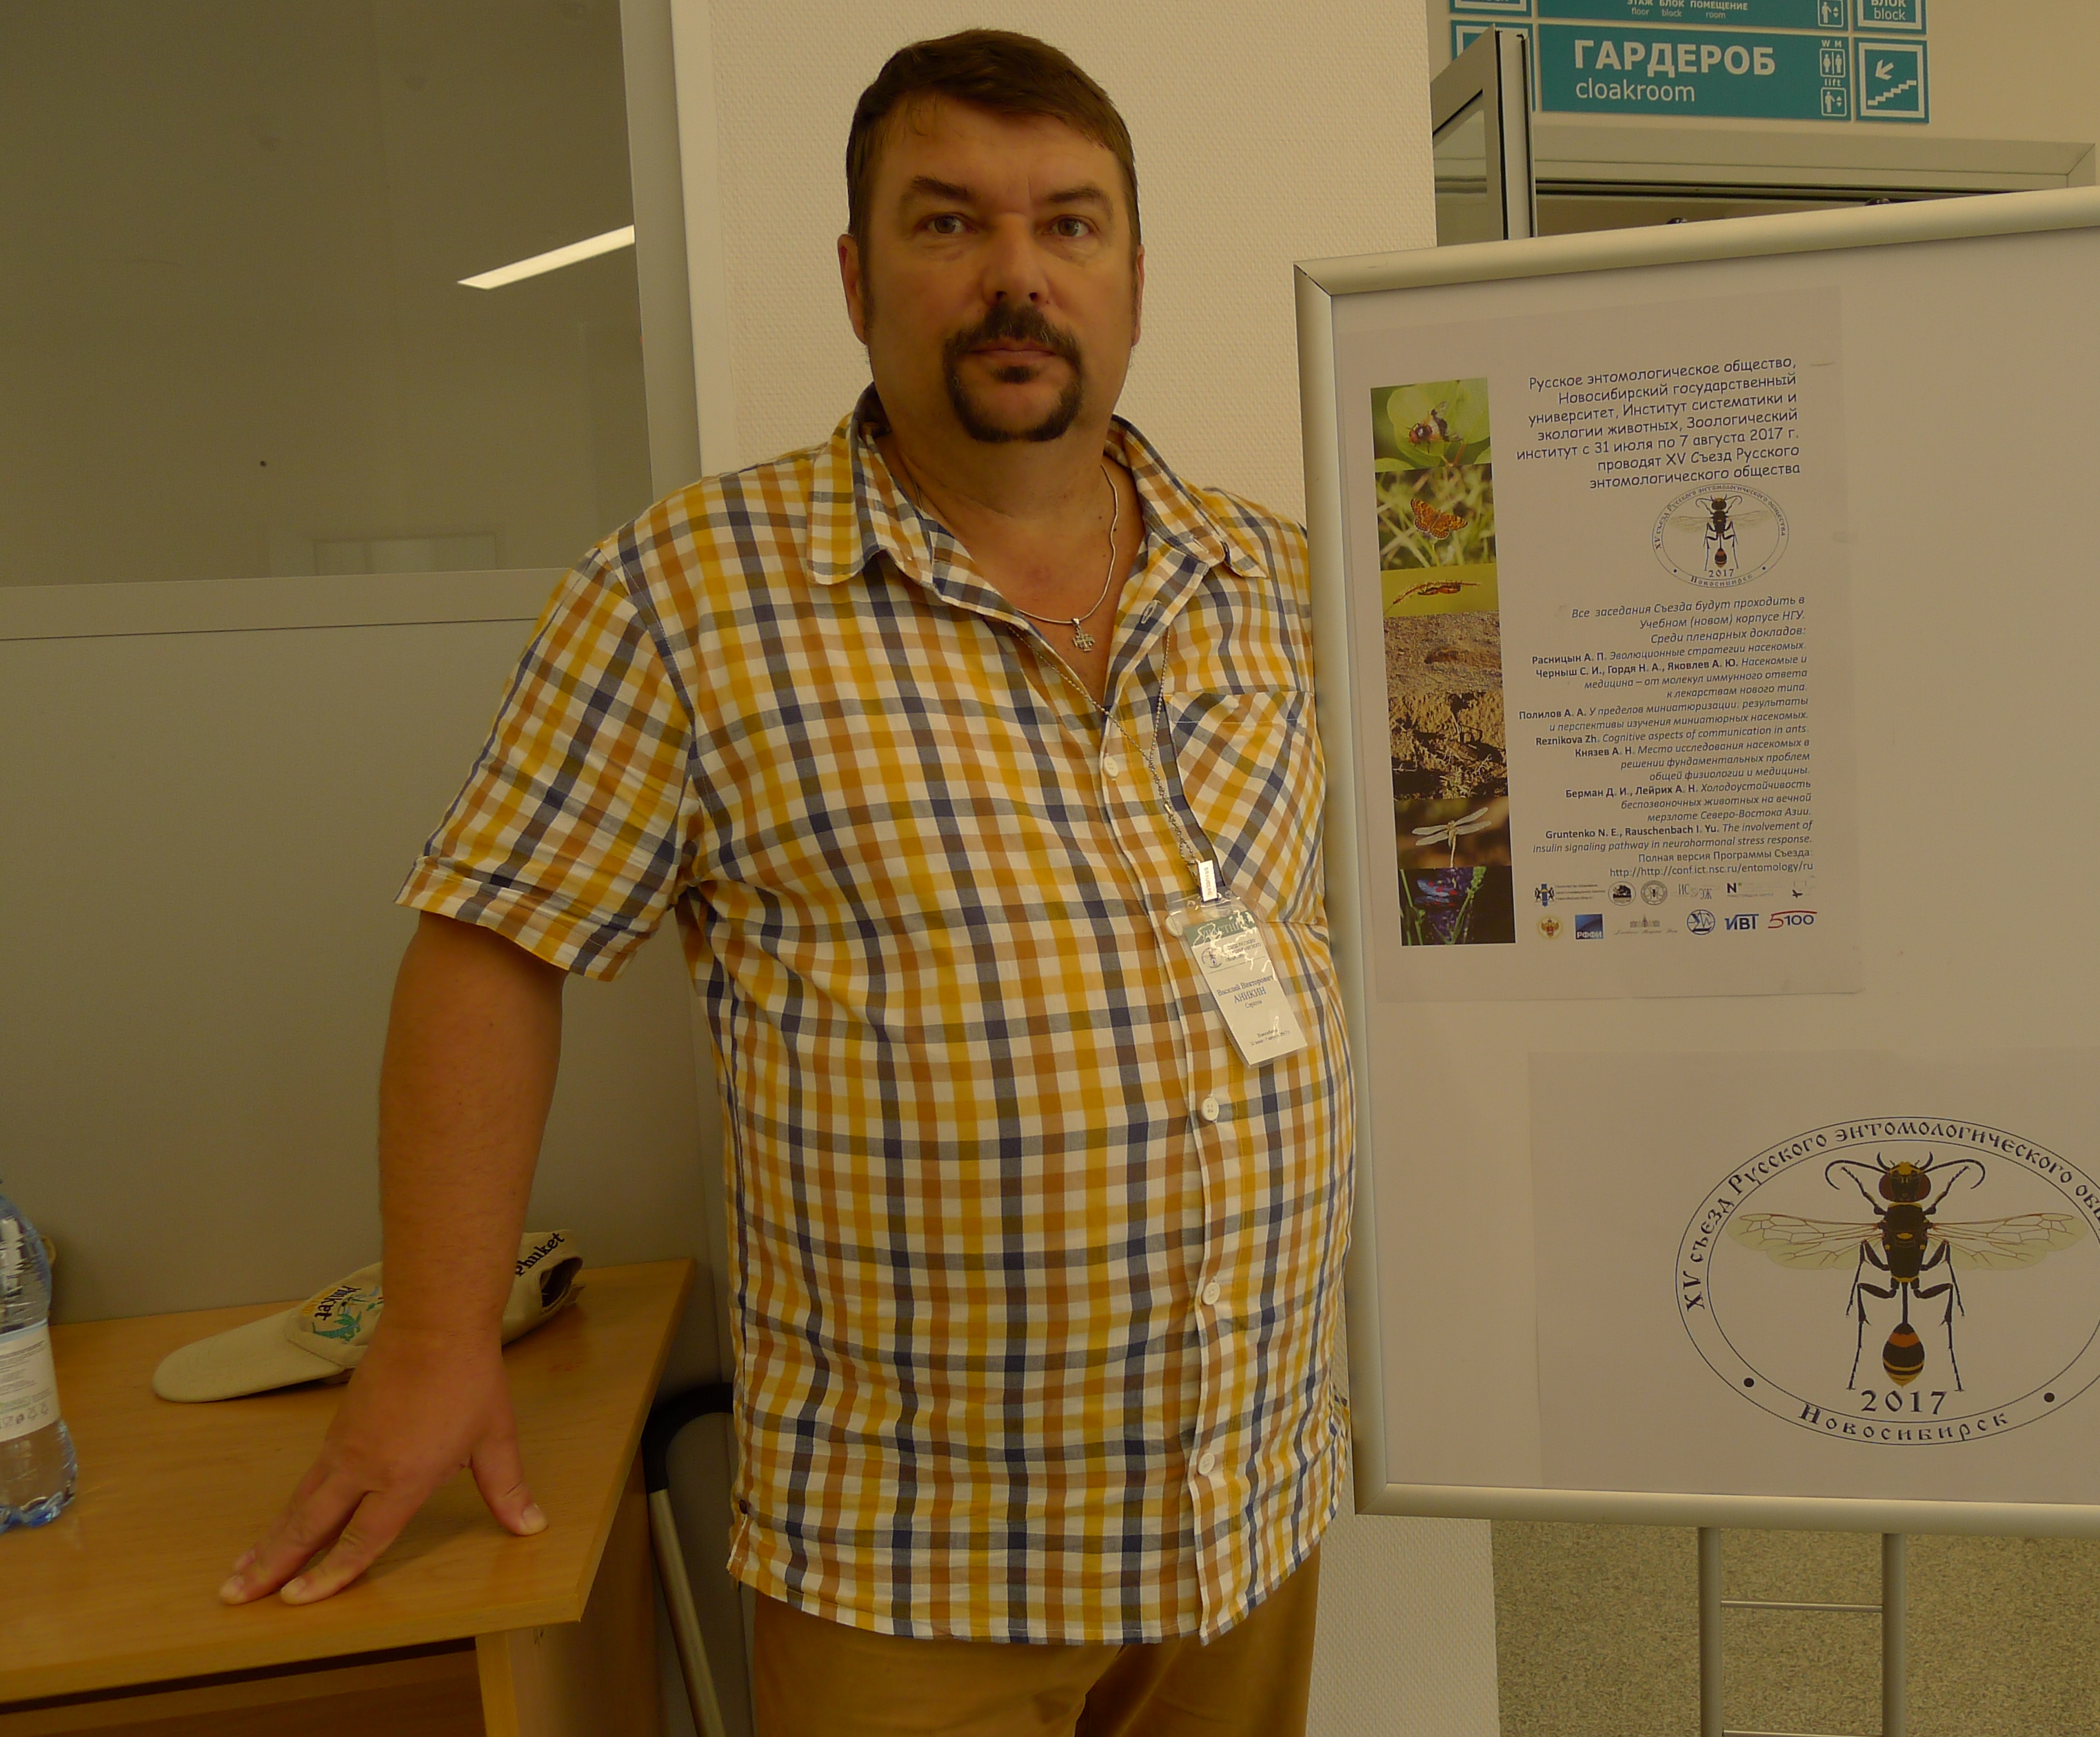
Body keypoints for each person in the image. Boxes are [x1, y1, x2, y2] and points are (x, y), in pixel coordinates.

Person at [219, 30, 1351, 1736]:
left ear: (1134, 275)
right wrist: (435, 1340)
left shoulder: (1283, 578)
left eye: (1069, 224)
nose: (1018, 278)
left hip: (1245, 1505)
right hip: (920, 1558)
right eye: (948, 223)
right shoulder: (685, 591)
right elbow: (492, 946)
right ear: (855, 276)